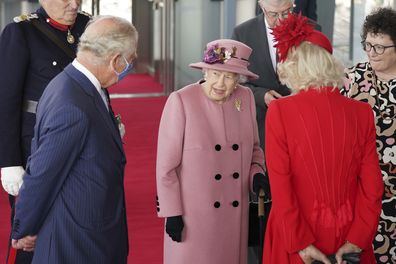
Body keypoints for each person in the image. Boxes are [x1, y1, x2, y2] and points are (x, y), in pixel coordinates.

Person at [10, 15, 138, 263]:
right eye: (130, 59)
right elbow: (42, 173)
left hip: (89, 231)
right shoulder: (72, 104)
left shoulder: (74, 83)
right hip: (78, 241)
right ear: (116, 60)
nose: (131, 64)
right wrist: (24, 228)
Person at [262, 13, 383, 264]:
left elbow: (281, 187)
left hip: (296, 233)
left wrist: (300, 242)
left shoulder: (280, 111)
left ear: (293, 66)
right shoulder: (362, 113)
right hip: (349, 232)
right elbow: (372, 187)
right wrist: (358, 239)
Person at [156, 39, 270, 264]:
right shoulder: (181, 100)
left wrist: (256, 173)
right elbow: (165, 167)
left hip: (233, 218)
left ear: (238, 79)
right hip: (193, 218)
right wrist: (172, 212)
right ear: (205, 70)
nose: (220, 82)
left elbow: (255, 149)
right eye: (216, 73)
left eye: (229, 76)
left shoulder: (244, 98)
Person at [0, 1, 90, 263]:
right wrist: (9, 162)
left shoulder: (88, 26)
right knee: (33, 234)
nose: (74, 4)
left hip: (84, 145)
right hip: (37, 148)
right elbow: (6, 102)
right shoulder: (21, 33)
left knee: (78, 225)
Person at [342, 7, 396, 264]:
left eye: (379, 47)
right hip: (360, 188)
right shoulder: (352, 77)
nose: (371, 53)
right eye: (368, 45)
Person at [232, 0, 294, 149]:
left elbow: (320, 78)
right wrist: (261, 95)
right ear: (262, 7)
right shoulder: (242, 33)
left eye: (286, 12)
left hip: (299, 121)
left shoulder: (312, 30)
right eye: (273, 14)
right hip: (259, 123)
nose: (280, 20)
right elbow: (234, 80)